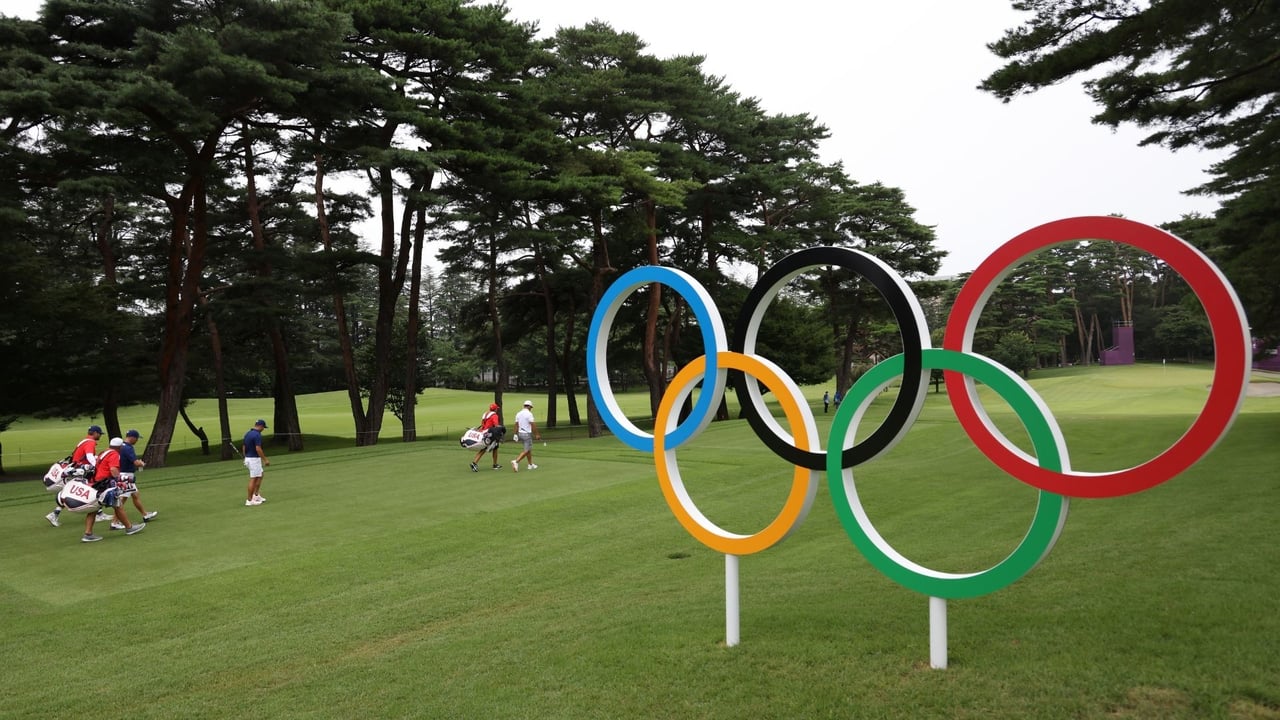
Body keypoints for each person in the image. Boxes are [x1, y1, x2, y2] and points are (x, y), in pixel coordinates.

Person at [82, 437, 145, 543]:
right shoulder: (114, 454)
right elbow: (113, 469)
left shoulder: (104, 452)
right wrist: (118, 481)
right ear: (119, 447)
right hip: (105, 483)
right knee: (117, 504)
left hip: (97, 482)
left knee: (94, 509)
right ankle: (129, 528)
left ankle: (88, 533)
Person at [47, 424, 102, 528]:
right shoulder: (90, 442)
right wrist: (97, 466)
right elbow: (89, 456)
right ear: (95, 433)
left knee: (83, 490)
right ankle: (54, 514)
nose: (100, 436)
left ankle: (99, 513)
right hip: (82, 470)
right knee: (89, 490)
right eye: (99, 434)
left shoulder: (84, 441)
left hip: (76, 469)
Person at [110, 429, 156, 529]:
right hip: (126, 476)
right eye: (136, 438)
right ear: (132, 437)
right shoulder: (128, 448)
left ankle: (145, 515)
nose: (137, 441)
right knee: (122, 499)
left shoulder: (121, 446)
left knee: (135, 495)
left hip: (124, 474)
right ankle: (114, 522)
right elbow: (135, 462)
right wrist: (141, 463)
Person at [469, 403, 504, 472]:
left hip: (483, 433)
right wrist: (502, 429)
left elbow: (482, 424)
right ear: (495, 409)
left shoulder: (485, 414)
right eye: (497, 408)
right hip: (490, 434)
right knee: (484, 449)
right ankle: (474, 463)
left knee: (495, 448)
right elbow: (496, 426)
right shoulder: (494, 416)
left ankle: (495, 464)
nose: (497, 410)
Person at [510, 400, 542, 472]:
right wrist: (537, 434)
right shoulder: (529, 414)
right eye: (531, 407)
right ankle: (516, 461)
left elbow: (516, 425)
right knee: (527, 450)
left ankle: (530, 464)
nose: (531, 408)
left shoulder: (518, 413)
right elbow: (533, 424)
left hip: (520, 434)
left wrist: (515, 434)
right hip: (526, 434)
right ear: (529, 406)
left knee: (528, 449)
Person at [243, 419, 269, 506]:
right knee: (253, 479)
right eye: (263, 427)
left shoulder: (248, 433)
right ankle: (249, 500)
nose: (263, 429)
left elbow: (244, 446)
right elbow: (258, 448)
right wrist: (265, 459)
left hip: (249, 458)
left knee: (260, 474)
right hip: (254, 459)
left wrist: (245, 456)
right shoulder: (257, 435)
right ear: (260, 426)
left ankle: (256, 495)